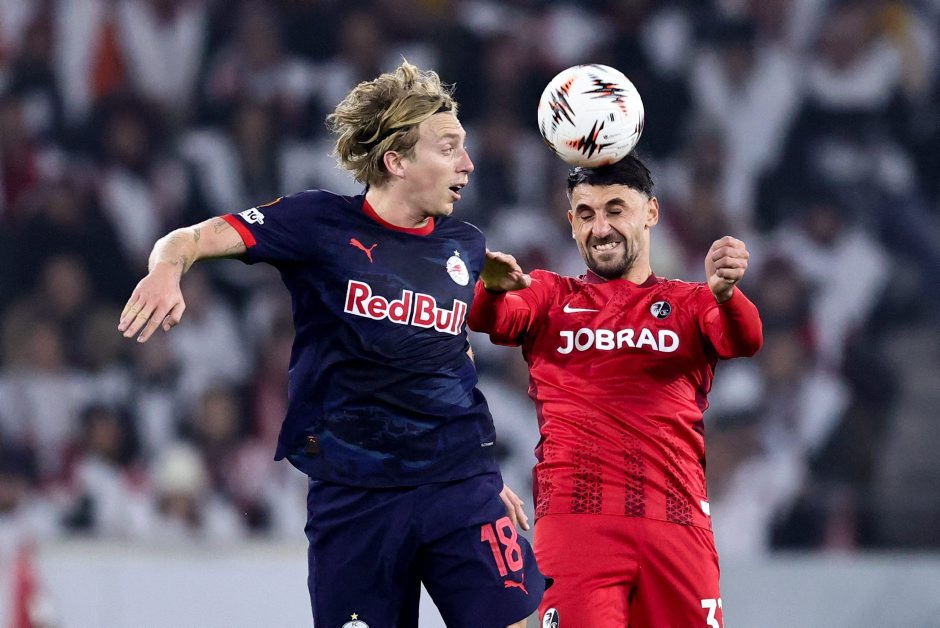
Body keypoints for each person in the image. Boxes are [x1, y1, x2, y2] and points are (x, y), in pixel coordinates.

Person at [117, 61, 545, 628]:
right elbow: (191, 237)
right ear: (396, 161)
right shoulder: (316, 222)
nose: (467, 163)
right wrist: (166, 270)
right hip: (355, 494)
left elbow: (446, 350)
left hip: (457, 486)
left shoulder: (465, 243)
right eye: (449, 149)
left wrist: (482, 478)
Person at [468, 155, 763, 626]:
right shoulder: (549, 294)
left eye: (615, 209)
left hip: (676, 523)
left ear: (651, 212)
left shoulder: (690, 302)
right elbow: (493, 319)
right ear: (571, 222)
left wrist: (727, 295)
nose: (600, 228)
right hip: (576, 527)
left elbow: (745, 338)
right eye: (586, 214)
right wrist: (492, 289)